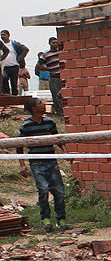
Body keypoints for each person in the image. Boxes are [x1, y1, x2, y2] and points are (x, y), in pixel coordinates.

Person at [18, 97, 66, 232]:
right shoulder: (26, 126)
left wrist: (66, 154)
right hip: (37, 163)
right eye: (40, 103)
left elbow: (58, 139)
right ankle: (46, 219)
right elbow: (19, 146)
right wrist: (22, 165)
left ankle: (61, 218)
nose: (44, 104)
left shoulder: (50, 123)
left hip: (51, 162)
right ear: (34, 109)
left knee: (59, 191)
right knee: (43, 189)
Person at [36, 38, 63, 118]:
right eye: (53, 43)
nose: (55, 44)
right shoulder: (46, 55)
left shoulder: (61, 53)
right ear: (50, 43)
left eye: (57, 43)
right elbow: (39, 66)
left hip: (63, 77)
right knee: (56, 97)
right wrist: (49, 69)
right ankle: (60, 114)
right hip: (54, 78)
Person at [0, 30, 28, 95]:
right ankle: (7, 93)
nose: (2, 36)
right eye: (1, 35)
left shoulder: (14, 44)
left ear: (8, 35)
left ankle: (14, 95)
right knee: (4, 78)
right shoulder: (1, 45)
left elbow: (25, 49)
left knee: (14, 83)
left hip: (14, 66)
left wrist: (20, 58)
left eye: (4, 35)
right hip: (4, 66)